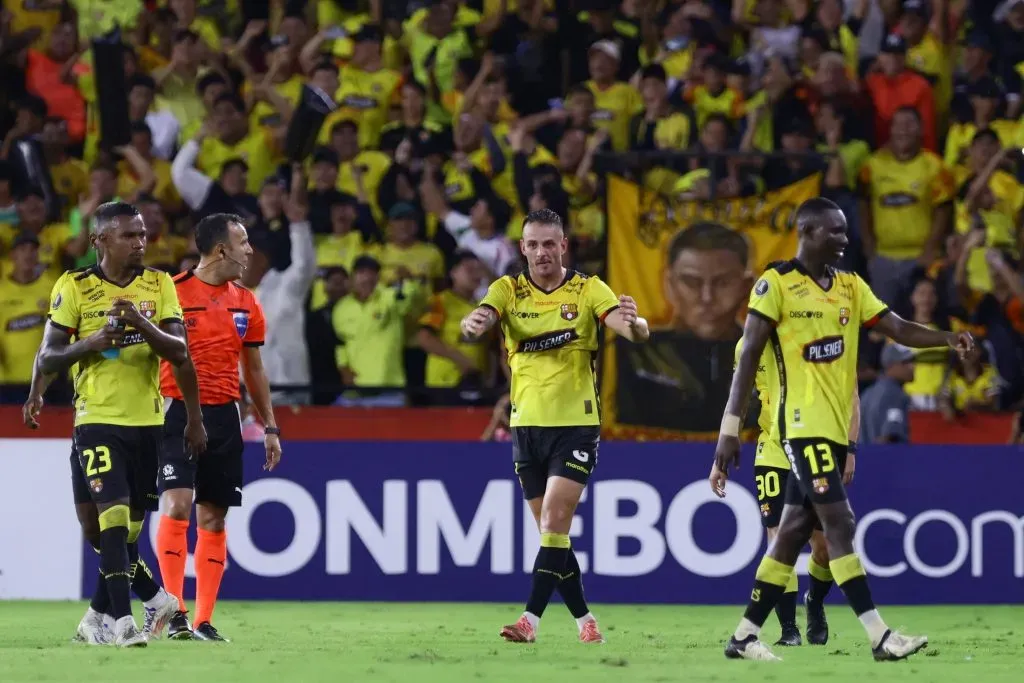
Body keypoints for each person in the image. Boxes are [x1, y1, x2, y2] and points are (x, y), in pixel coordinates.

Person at [711, 196, 973, 661]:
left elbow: (896, 327)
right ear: (808, 232)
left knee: (792, 531)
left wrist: (946, 339)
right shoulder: (776, 284)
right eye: (834, 231)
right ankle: (880, 636)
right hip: (799, 425)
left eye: (845, 231)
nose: (844, 239)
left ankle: (744, 636)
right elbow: (748, 356)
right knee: (841, 522)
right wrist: (729, 429)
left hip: (831, 429)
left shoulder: (850, 286)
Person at [460, 208, 650, 644]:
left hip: (576, 425)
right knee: (553, 538)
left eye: (550, 243)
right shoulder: (508, 289)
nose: (542, 252)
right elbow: (480, 319)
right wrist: (471, 325)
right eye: (534, 244)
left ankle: (529, 621)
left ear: (563, 245)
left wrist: (636, 322)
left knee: (555, 519)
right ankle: (587, 623)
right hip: (526, 426)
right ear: (522, 248)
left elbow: (631, 331)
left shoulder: (588, 290)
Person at [38, 201, 196, 647]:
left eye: (143, 234)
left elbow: (178, 351)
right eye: (129, 235)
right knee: (106, 521)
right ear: (100, 240)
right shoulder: (74, 286)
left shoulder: (159, 283)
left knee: (121, 534)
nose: (140, 242)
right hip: (95, 417)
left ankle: (127, 608)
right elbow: (48, 356)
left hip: (148, 421)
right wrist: (90, 341)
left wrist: (140, 323)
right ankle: (125, 624)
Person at [156, 213, 281, 642]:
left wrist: (270, 426)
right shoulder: (170, 293)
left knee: (213, 516)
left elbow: (254, 368)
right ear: (221, 249)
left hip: (225, 414)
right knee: (176, 505)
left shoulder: (247, 301)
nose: (250, 249)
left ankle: (203, 621)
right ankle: (173, 612)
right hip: (175, 410)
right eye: (243, 242)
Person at [734, 308, 858, 647]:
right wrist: (722, 452)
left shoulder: (815, 339)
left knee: (824, 548)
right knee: (779, 539)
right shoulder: (746, 345)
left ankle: (815, 602)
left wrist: (849, 449)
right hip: (772, 450)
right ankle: (789, 629)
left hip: (813, 449)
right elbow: (740, 399)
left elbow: (851, 397)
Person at [615, 222, 752, 432]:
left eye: (723, 282)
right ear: (669, 285)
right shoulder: (636, 353)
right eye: (691, 282)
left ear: (747, 286)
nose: (707, 298)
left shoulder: (768, 354)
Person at [860, 344, 914, 443]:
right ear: (890, 365)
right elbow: (888, 438)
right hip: (885, 457)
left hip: (863, 457)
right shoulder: (894, 394)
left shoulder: (868, 393)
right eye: (905, 362)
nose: (912, 366)